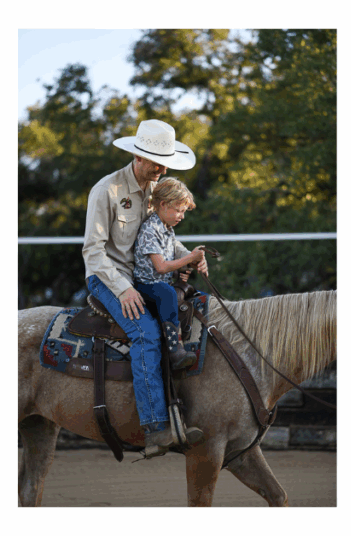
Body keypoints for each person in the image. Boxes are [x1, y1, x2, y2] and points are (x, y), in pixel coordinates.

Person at [82, 119, 203, 458]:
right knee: (146, 333)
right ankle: (154, 428)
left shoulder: (157, 190)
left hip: (145, 277)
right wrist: (123, 289)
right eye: (154, 161)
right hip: (108, 277)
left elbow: (165, 239)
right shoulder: (106, 190)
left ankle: (184, 409)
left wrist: (191, 258)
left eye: (165, 162)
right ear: (137, 155)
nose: (161, 168)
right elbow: (92, 250)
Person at [133, 177, 208, 371]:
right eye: (179, 210)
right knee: (166, 293)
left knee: (193, 293)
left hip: (162, 282)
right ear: (163, 204)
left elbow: (174, 257)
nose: (182, 216)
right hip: (146, 285)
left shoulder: (167, 229)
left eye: (184, 211)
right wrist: (189, 257)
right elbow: (160, 267)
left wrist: (187, 266)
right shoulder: (150, 229)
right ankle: (175, 350)